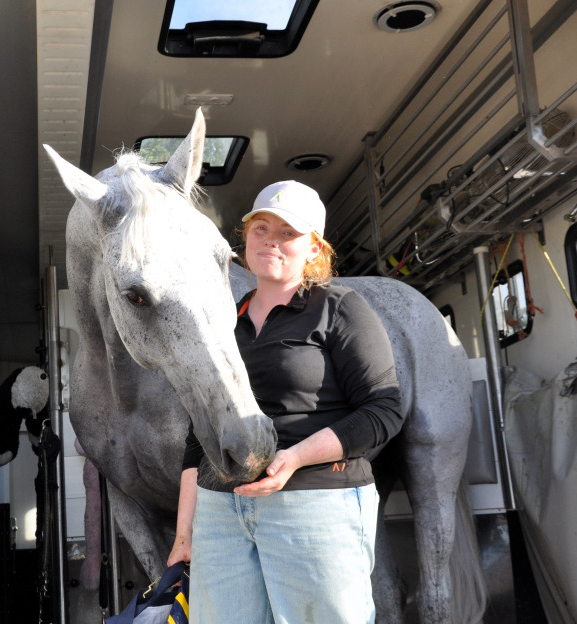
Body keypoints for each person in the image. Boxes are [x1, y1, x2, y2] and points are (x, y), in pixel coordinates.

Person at [167, 180, 404, 624]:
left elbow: (383, 411)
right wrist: (185, 534)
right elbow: (199, 436)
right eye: (261, 228)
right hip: (222, 512)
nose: (271, 240)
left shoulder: (340, 308)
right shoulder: (224, 323)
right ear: (246, 238)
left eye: (288, 233)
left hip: (314, 505)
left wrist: (294, 458)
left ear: (314, 248)